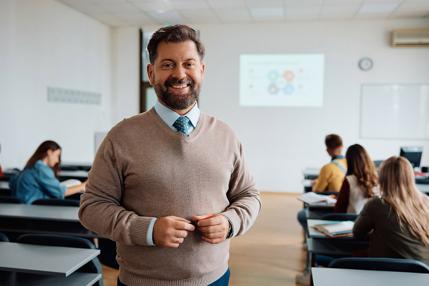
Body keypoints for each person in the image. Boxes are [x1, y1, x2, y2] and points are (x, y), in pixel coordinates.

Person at [79, 25, 261, 286]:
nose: (179, 74)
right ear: (151, 73)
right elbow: (92, 208)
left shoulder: (226, 135)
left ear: (202, 70)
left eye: (188, 63)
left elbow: (249, 196)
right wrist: (149, 230)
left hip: (215, 279)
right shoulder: (120, 137)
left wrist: (230, 222)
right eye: (167, 64)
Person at [353, 156, 429, 264]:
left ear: (382, 178)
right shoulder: (427, 202)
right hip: (424, 273)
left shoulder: (377, 204)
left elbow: (357, 233)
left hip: (387, 272)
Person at [9, 140, 86, 204]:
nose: (57, 160)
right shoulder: (40, 168)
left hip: (23, 208)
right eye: (57, 155)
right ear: (49, 152)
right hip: (34, 209)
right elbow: (60, 192)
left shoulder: (30, 166)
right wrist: (82, 186)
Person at [334, 144, 379, 214]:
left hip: (352, 222)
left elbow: (339, 209)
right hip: (373, 223)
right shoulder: (377, 179)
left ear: (349, 162)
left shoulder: (349, 180)